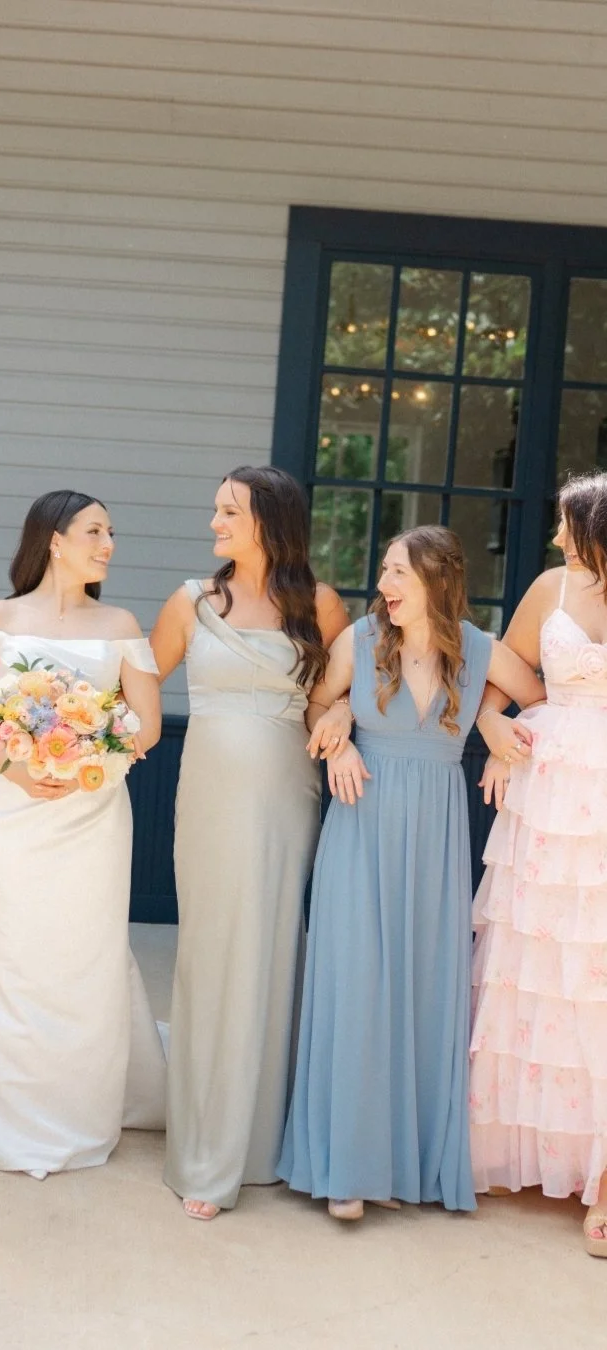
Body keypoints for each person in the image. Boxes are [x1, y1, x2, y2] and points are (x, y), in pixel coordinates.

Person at [278, 525, 543, 1219]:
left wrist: (488, 718)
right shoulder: (360, 642)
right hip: (361, 823)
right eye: (385, 571)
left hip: (434, 838)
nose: (384, 587)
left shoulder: (481, 650)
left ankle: (410, 1164)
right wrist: (334, 726)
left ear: (438, 581)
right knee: (357, 984)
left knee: (425, 990)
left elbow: (545, 698)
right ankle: (346, 1168)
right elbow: (315, 704)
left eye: (398, 573)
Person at [149, 466, 347, 1220]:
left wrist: (341, 719)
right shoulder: (191, 603)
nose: (214, 524)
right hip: (209, 795)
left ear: (268, 519)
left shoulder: (320, 606)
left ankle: (262, 1143)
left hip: (288, 798)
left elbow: (340, 691)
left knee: (271, 953)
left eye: (227, 511)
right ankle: (206, 1149)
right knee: (214, 950)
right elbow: (135, 682)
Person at [0, 489, 167, 1178]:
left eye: (111, 532)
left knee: (85, 954)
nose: (108, 544)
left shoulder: (121, 621)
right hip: (12, 811)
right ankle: (7, 1118)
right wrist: (20, 768)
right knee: (12, 955)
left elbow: (148, 725)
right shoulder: (0, 618)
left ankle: (80, 1112)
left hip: (94, 814)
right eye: (95, 531)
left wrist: (88, 755)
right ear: (54, 539)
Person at [469, 472, 607, 1257]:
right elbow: (499, 674)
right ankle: (534, 1146)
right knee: (541, 962)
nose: (554, 537)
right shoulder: (549, 586)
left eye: (565, 524)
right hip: (549, 793)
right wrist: (491, 723)